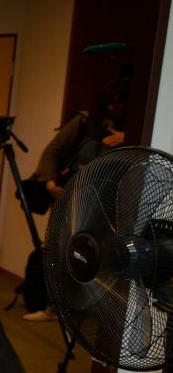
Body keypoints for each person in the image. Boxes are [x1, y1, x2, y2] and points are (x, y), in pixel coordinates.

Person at [21, 79, 129, 322]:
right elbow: (53, 150)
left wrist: (127, 137)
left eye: (119, 103)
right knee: (58, 251)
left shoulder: (134, 128)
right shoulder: (83, 121)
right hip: (71, 197)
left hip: (108, 204)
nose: (114, 108)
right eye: (110, 103)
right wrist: (49, 182)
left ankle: (94, 312)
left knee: (104, 257)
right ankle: (52, 307)